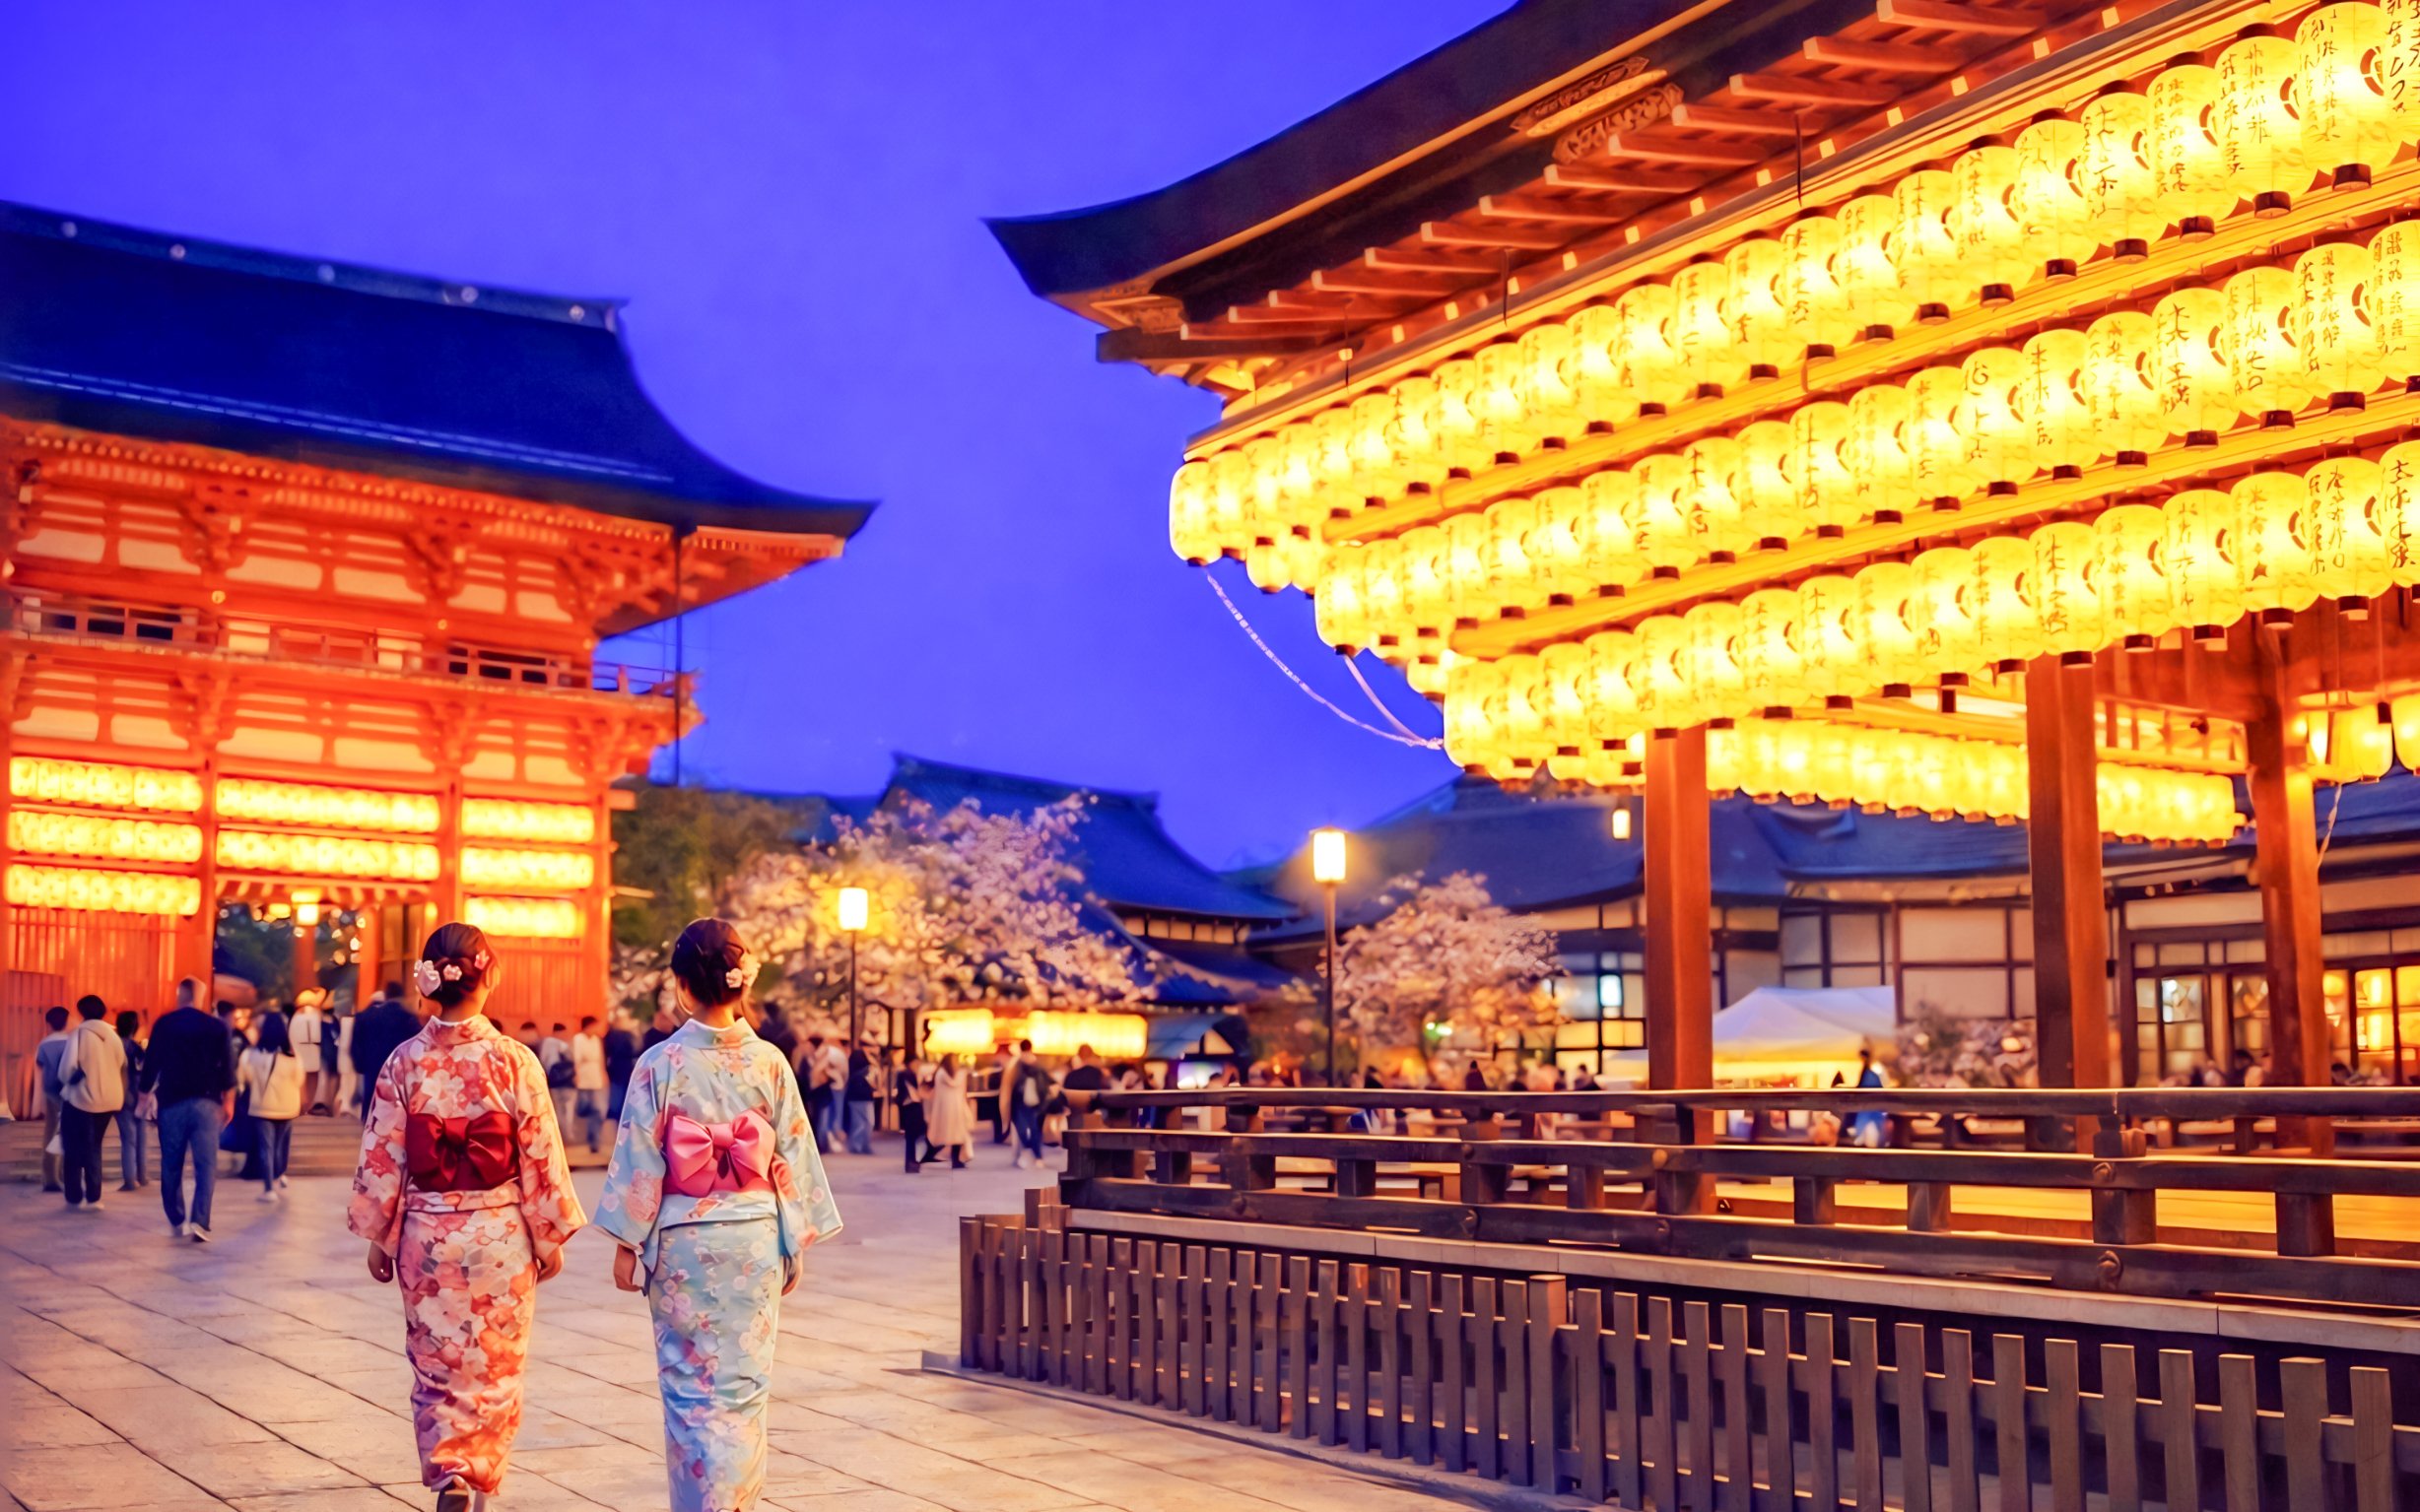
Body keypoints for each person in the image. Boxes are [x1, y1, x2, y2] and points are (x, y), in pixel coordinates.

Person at [597, 919, 840, 1512]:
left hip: (683, 1241)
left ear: (681, 986)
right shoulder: (772, 1063)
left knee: (688, 1389)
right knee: (743, 1387)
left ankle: (703, 1502)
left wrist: (628, 1242)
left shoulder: (660, 1062)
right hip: (755, 1235)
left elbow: (641, 1157)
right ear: (741, 984)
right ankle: (733, 1503)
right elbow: (790, 1155)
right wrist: (794, 1238)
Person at [349, 923, 584, 1512]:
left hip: (428, 1234)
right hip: (500, 1231)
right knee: (497, 1363)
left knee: (436, 1362)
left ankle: (449, 1471)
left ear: (429, 982)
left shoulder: (404, 1063)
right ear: (491, 978)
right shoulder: (514, 1061)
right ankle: (479, 1478)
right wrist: (547, 1234)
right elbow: (540, 1152)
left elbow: (384, 1154)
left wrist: (382, 1235)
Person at [142, 977, 236, 1241]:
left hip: (172, 1101)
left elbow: (152, 1062)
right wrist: (228, 1100)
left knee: (171, 1162)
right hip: (207, 1102)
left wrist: (143, 1093)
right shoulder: (216, 1026)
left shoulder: (165, 1023)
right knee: (206, 1164)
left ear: (179, 994)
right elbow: (227, 1065)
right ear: (201, 995)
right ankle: (200, 1221)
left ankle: (176, 1217)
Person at [59, 995, 128, 1211]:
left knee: (73, 1147)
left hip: (83, 1099)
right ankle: (94, 1196)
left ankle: (74, 1196)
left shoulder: (79, 1034)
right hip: (110, 1100)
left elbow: (66, 1070)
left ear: (82, 1012)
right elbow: (121, 1064)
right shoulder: (113, 1036)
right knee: (94, 1146)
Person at [240, 1010, 305, 1199]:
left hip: (262, 1107)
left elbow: (245, 1078)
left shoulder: (252, 1055)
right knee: (281, 1145)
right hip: (287, 1107)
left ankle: (269, 1189)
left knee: (266, 1148)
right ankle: (281, 1175)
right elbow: (299, 1080)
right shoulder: (293, 1057)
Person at [350, 984, 423, 1113]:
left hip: (372, 1064)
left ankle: (370, 1125)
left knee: (371, 1099)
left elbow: (357, 1043)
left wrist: (359, 1064)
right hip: (399, 1066)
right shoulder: (409, 1017)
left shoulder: (367, 1016)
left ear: (386, 995)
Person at [34, 1007, 71, 1192]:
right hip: (71, 1092)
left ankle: (50, 1179)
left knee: (50, 1132)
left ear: (48, 1023)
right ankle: (68, 1174)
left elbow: (40, 1064)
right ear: (67, 1021)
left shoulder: (44, 1044)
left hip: (50, 1092)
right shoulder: (72, 1041)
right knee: (70, 1133)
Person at [113, 1009, 149, 1190]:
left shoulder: (116, 1046)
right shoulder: (137, 1048)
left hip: (122, 1095)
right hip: (140, 1094)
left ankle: (129, 1180)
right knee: (141, 1136)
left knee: (128, 1138)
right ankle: (142, 1176)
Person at [1004, 1039, 1049, 1169]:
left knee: (1024, 1129)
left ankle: (1033, 1152)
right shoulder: (1034, 1062)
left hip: (1021, 1101)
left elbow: (1009, 1082)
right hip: (1032, 1101)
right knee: (1033, 1129)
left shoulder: (1017, 1063)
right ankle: (1036, 1154)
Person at [922, 1054, 973, 1169]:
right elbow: (961, 1092)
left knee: (942, 1135)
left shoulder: (940, 1074)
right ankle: (956, 1161)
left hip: (944, 1110)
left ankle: (929, 1154)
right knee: (957, 1136)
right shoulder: (959, 1075)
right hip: (957, 1109)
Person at [571, 1016, 609, 1153]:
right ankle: (586, 1138)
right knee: (584, 1108)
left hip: (596, 1078)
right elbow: (576, 1059)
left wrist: (603, 1075)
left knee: (599, 1110)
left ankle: (595, 1140)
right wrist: (576, 1076)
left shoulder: (596, 1040)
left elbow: (600, 1059)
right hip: (583, 1078)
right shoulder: (578, 1039)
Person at [290, 990, 329, 1115]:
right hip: (315, 1048)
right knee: (313, 1077)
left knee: (301, 1079)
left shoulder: (296, 1016)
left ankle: (300, 1104)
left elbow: (291, 1035)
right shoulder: (317, 1014)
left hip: (299, 1049)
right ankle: (309, 1104)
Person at [800, 1034, 839, 1152]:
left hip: (819, 1094)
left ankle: (821, 1145)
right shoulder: (811, 1058)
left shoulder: (816, 1059)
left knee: (820, 1121)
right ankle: (819, 1145)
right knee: (818, 1121)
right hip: (817, 1094)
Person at [843, 1032, 878, 1155]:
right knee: (868, 1122)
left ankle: (856, 1145)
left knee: (857, 1123)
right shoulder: (867, 1069)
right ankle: (864, 1145)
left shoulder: (853, 1069)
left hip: (853, 1097)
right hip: (865, 1098)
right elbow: (873, 1083)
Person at [894, 1049, 928, 1173]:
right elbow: (914, 1091)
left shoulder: (906, 1073)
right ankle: (912, 1163)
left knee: (911, 1138)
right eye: (916, 1062)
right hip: (911, 1107)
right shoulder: (907, 1074)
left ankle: (911, 1163)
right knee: (913, 1137)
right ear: (911, 1062)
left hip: (909, 1107)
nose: (918, 1065)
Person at [605, 1011, 640, 1123]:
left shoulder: (610, 1035)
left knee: (616, 1091)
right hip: (625, 1067)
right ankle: (621, 1113)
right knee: (624, 1092)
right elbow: (636, 1049)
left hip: (615, 1068)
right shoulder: (626, 1035)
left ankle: (615, 1112)